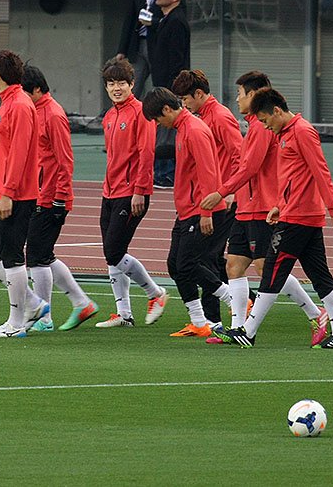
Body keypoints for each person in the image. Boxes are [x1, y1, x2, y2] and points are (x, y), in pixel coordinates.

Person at [200, 72, 328, 344]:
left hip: (261, 208)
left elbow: (250, 167)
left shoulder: (261, 126)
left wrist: (222, 192)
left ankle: (315, 313)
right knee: (234, 265)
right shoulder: (254, 125)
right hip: (246, 207)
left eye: (240, 94)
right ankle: (237, 328)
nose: (237, 99)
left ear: (254, 95)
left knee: (264, 268)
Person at [218, 88, 333, 349]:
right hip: (298, 213)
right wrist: (280, 204)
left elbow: (320, 171)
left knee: (272, 271)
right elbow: (293, 176)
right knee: (319, 276)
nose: (266, 127)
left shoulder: (302, 131)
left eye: (266, 120)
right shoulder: (286, 133)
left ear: (277, 111)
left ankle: (248, 331)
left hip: (300, 217)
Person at [142, 87, 233, 338]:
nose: (158, 124)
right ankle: (199, 321)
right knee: (175, 265)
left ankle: (233, 298)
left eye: (157, 118)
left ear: (167, 109)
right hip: (186, 209)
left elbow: (208, 172)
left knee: (188, 264)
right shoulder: (183, 128)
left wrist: (206, 212)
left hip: (199, 209)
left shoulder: (194, 130)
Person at [21, 64, 100, 332]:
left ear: (36, 89)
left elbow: (65, 160)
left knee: (36, 256)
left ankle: (44, 317)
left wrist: (60, 198)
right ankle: (81, 302)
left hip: (51, 196)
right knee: (43, 254)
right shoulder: (35, 110)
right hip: (39, 194)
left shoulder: (53, 114)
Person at [0, 50, 49, 338]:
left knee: (12, 257)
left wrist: (8, 193)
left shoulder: (19, 105)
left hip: (15, 195)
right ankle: (32, 304)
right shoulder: (9, 102)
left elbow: (19, 154)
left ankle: (16, 323)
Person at [95, 58, 168, 328]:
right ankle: (124, 314)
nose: (116, 88)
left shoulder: (141, 113)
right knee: (112, 253)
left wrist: (140, 190)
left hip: (132, 192)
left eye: (121, 83)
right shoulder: (109, 116)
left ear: (132, 84)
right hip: (110, 191)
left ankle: (155, 293)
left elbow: (146, 153)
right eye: (111, 83)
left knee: (114, 251)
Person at [171, 68, 242, 331]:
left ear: (199, 94)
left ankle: (215, 318)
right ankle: (230, 308)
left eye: (185, 99)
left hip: (220, 199)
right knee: (210, 260)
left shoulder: (220, 117)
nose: (184, 105)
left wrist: (232, 191)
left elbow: (239, 154)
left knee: (206, 259)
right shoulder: (201, 117)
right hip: (210, 197)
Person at [116, 0, 174, 98]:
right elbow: (130, 18)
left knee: (161, 89)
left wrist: (152, 22)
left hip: (159, 45)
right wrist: (122, 49)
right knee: (132, 87)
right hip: (138, 43)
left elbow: (174, 20)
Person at [151, 0, 192, 188]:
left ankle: (166, 173)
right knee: (163, 128)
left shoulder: (176, 21)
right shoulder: (166, 20)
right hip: (163, 84)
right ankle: (162, 172)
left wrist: (171, 88)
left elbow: (177, 58)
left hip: (170, 86)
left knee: (168, 129)